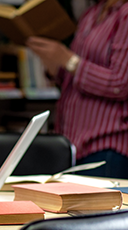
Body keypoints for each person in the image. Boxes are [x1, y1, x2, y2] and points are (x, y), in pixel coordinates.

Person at [26, 0, 128, 178]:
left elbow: (120, 84)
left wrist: (68, 60)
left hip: (107, 143)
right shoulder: (91, 13)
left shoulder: (124, 14)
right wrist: (52, 61)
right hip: (73, 142)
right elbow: (71, 77)